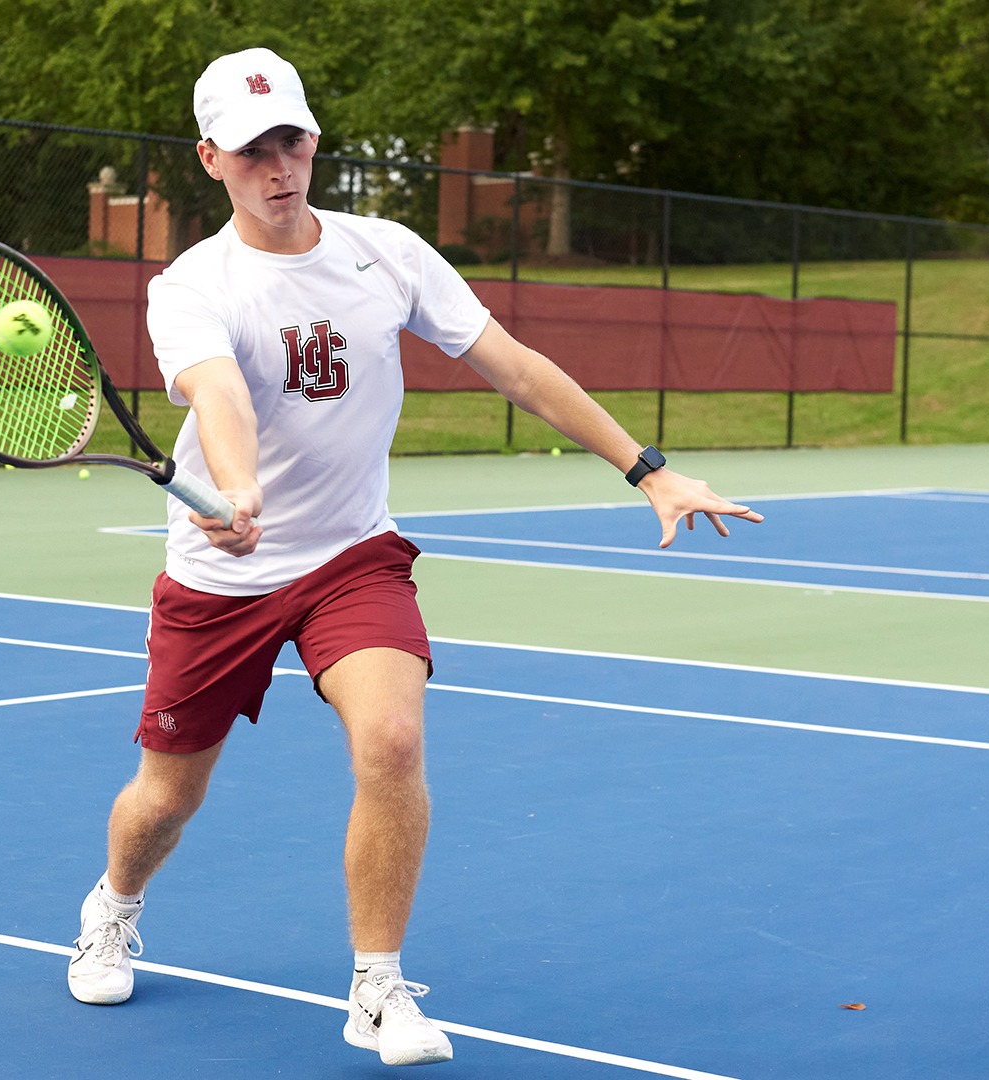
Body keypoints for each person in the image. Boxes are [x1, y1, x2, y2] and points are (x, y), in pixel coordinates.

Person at [67, 46, 764, 1067]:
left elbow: (515, 368)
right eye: (254, 148)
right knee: (166, 799)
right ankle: (114, 903)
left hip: (354, 556)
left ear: (314, 139)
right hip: (221, 578)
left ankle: (377, 989)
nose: (280, 165)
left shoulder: (385, 252)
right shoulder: (192, 286)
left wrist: (647, 469)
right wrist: (242, 489)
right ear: (210, 157)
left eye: (293, 139)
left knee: (392, 739)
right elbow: (218, 397)